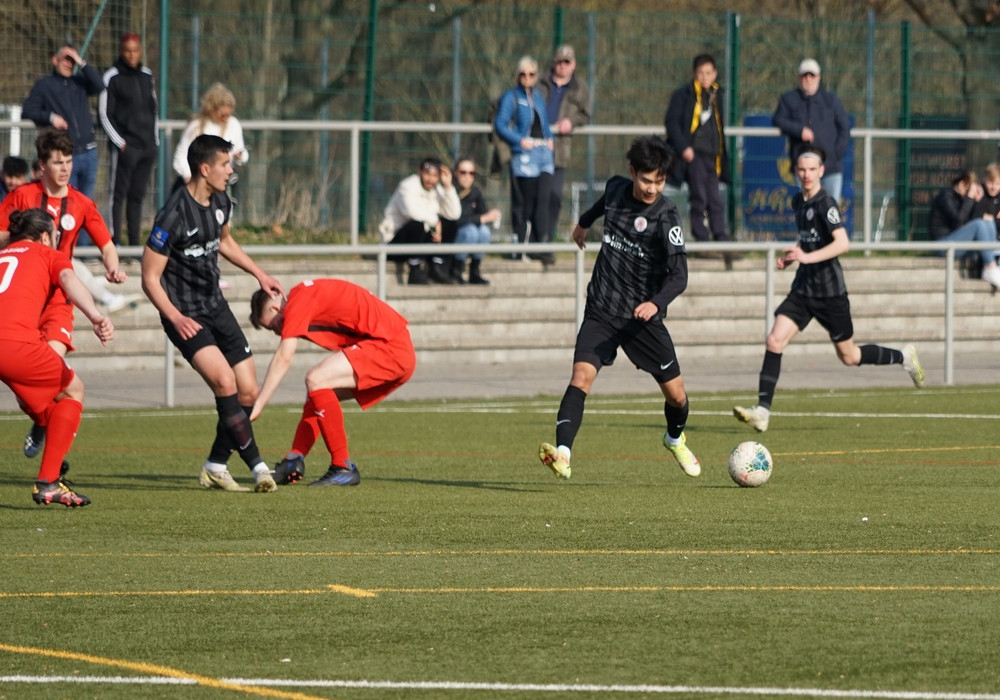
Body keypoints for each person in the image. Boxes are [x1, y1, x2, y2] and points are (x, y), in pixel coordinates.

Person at [538, 135, 701, 480]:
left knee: (677, 396)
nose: (652, 188)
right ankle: (563, 454)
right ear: (632, 173)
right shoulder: (615, 189)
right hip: (602, 308)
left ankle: (674, 439)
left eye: (659, 181)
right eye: (646, 180)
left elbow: (680, 276)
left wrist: (655, 303)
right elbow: (603, 205)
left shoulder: (666, 216)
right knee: (581, 377)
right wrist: (583, 223)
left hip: (641, 319)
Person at [733, 148, 925, 433]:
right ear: (795, 171)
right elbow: (809, 240)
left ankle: (903, 356)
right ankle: (762, 411)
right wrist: (794, 256)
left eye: (812, 170)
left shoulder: (826, 203)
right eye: (802, 169)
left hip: (830, 293)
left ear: (821, 171)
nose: (806, 175)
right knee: (774, 340)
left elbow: (842, 243)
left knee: (850, 357)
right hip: (803, 290)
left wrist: (807, 257)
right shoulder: (798, 201)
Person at [142, 134, 284, 493]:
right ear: (205, 169)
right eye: (224, 164)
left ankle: (216, 465)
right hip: (185, 314)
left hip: (215, 306)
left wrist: (259, 273)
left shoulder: (221, 200)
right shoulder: (173, 215)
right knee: (225, 382)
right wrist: (175, 318)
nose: (230, 170)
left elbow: (224, 241)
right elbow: (149, 278)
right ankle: (259, 467)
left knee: (248, 392)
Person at [0, 129, 132, 459]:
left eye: (69, 161)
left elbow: (107, 245)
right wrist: (24, 242)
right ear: (42, 166)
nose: (65, 169)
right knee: (27, 380)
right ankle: (43, 420)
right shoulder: (22, 197)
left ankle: (50, 447)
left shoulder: (81, 203)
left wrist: (113, 268)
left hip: (59, 299)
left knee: (51, 369)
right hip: (24, 298)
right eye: (58, 162)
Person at [248, 279, 417, 487]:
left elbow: (284, 357)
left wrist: (259, 404)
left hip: (390, 347)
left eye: (272, 325)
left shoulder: (297, 302)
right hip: (390, 345)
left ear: (275, 308)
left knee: (316, 379)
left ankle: (342, 466)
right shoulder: (302, 297)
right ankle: (294, 460)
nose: (276, 332)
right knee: (318, 393)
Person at [0, 208, 114, 507]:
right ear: (45, 236)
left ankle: (51, 446)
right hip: (14, 343)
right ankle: (48, 481)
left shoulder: (3, 254)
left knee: (43, 404)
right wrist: (95, 315)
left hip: (10, 344)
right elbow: (68, 277)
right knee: (73, 391)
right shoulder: (48, 254)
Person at [664, 53, 738, 265]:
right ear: (694, 73)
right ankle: (702, 241)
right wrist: (684, 147)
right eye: (701, 73)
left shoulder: (716, 95)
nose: (705, 77)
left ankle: (721, 240)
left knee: (715, 200)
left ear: (714, 74)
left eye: (708, 73)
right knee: (699, 198)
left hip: (712, 156)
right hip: (693, 156)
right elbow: (672, 123)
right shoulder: (684, 95)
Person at [22, 45, 105, 203]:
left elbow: (100, 86)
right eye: (66, 59)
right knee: (66, 202)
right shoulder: (45, 85)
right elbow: (28, 111)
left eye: (72, 60)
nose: (69, 64)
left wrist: (81, 62)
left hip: (89, 152)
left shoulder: (79, 82)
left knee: (85, 203)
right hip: (65, 154)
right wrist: (51, 117)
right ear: (55, 60)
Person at [495, 56, 556, 267]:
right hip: (525, 155)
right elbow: (501, 124)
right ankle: (524, 246)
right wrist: (520, 140)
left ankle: (543, 245)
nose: (527, 77)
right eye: (523, 74)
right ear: (517, 75)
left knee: (545, 198)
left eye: (531, 74)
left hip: (544, 153)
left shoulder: (538, 96)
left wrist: (551, 139)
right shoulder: (511, 96)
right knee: (526, 203)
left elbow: (544, 124)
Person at [99, 32, 159, 247]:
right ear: (121, 51)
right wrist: (121, 143)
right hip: (126, 148)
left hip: (147, 147)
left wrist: (154, 140)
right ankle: (114, 243)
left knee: (137, 196)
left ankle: (134, 244)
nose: (132, 55)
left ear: (140, 51)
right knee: (118, 196)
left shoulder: (147, 75)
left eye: (135, 50)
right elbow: (105, 114)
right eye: (127, 51)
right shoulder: (111, 77)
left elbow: (154, 109)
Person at [773, 58, 850, 204]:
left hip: (830, 167)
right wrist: (799, 130)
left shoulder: (831, 100)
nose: (808, 79)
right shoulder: (788, 99)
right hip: (804, 168)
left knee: (830, 209)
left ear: (818, 77)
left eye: (812, 75)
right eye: (804, 75)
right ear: (798, 78)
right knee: (807, 209)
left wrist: (836, 153)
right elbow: (779, 119)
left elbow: (844, 127)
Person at [378, 156, 461, 285]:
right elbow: (412, 212)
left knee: (451, 224)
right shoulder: (407, 186)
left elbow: (454, 214)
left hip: (421, 242)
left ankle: (437, 267)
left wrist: (448, 187)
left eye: (435, 175)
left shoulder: (438, 190)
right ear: (420, 172)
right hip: (395, 243)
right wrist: (435, 222)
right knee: (416, 225)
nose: (431, 179)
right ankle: (414, 270)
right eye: (428, 174)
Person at [538, 44, 591, 239]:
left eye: (567, 62)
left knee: (554, 196)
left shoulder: (580, 88)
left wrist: (571, 121)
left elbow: (585, 115)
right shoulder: (539, 82)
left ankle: (546, 239)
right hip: (535, 146)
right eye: (559, 61)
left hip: (559, 151)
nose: (562, 65)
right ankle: (530, 241)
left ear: (573, 64)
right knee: (536, 197)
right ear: (554, 62)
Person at [927, 170, 1000, 288]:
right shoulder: (945, 197)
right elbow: (959, 219)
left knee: (987, 223)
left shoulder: (961, 199)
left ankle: (991, 264)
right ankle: (989, 267)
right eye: (968, 189)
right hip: (942, 245)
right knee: (979, 224)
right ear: (961, 184)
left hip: (955, 242)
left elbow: (970, 222)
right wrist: (970, 198)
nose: (968, 193)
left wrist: (976, 202)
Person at [172, 83, 249, 186]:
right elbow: (181, 155)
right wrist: (190, 179)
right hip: (197, 183)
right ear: (211, 109)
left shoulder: (233, 124)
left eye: (228, 115)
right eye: (222, 115)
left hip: (223, 182)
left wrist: (239, 156)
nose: (226, 119)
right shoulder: (196, 126)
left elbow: (242, 152)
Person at [442, 156, 500, 285]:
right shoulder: (450, 190)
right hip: (450, 234)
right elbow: (455, 220)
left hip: (468, 233)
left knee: (484, 231)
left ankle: (474, 271)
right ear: (455, 173)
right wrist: (481, 218)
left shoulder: (475, 192)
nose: (467, 176)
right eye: (463, 172)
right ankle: (456, 270)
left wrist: (490, 216)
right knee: (470, 231)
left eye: (471, 173)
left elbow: (483, 214)